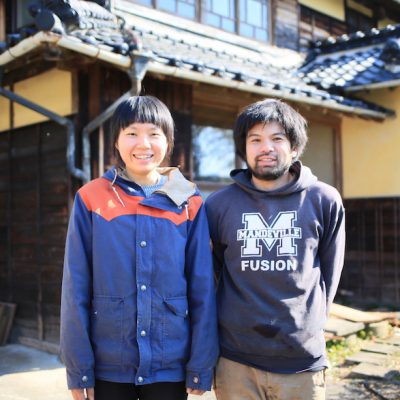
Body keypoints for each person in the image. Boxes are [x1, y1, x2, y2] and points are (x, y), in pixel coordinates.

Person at [60, 95, 218, 400]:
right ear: (116, 141)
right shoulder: (91, 197)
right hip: (108, 364)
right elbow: (75, 286)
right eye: (131, 133)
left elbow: (203, 286)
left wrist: (201, 362)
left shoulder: (188, 198)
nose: (143, 144)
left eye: (154, 134)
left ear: (168, 142)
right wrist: (79, 369)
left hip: (171, 362)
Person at [205, 99, 345, 400]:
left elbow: (330, 273)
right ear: (244, 148)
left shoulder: (323, 200)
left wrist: (311, 324)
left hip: (301, 361)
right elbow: (213, 274)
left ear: (294, 147)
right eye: (255, 139)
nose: (265, 147)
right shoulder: (218, 205)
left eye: (277, 138)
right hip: (235, 360)